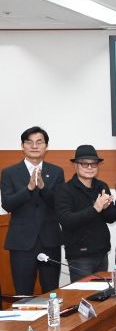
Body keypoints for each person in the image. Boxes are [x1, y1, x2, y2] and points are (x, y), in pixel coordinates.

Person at [1, 126, 64, 295]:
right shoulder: (9, 173)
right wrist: (28, 188)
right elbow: (7, 204)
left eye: (39, 142)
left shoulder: (56, 172)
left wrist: (43, 188)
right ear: (22, 146)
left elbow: (58, 203)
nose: (34, 146)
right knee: (23, 294)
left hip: (50, 241)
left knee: (51, 292)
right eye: (29, 142)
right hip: (21, 243)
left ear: (46, 146)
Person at [55, 145, 116, 282]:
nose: (90, 167)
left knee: (103, 292)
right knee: (84, 293)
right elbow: (66, 220)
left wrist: (106, 207)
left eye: (93, 164)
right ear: (75, 165)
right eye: (84, 164)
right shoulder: (64, 190)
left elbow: (111, 218)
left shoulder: (102, 186)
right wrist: (95, 209)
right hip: (79, 256)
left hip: (102, 252)